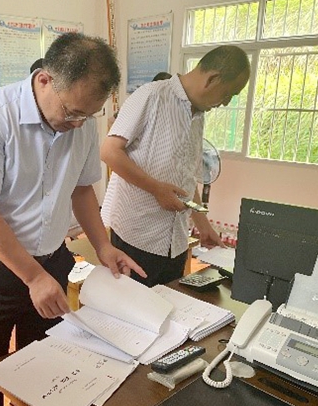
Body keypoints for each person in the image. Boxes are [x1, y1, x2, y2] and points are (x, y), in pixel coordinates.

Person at [0, 32, 145, 406]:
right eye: (72, 112)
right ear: (43, 80)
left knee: (47, 372)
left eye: (87, 116)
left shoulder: (82, 122)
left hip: (52, 262)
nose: (78, 124)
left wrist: (104, 246)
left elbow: (81, 190)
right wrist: (34, 277)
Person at [101, 45, 250, 287]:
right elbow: (109, 152)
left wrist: (203, 224)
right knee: (135, 306)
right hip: (138, 236)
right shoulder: (151, 96)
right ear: (212, 79)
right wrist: (156, 189)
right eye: (228, 94)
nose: (225, 103)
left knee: (170, 302)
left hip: (175, 241)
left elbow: (187, 177)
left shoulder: (198, 115)